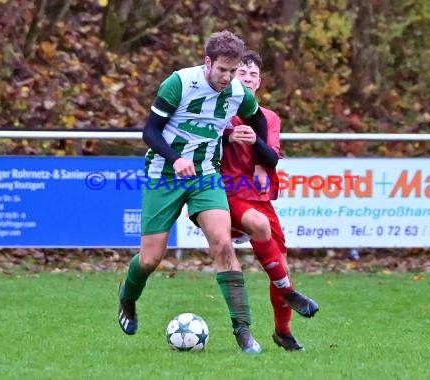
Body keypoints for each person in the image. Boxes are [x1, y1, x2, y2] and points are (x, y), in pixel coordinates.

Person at [118, 31, 270, 354]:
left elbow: (260, 121)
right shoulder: (180, 84)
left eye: (233, 71)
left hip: (205, 176)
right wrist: (176, 159)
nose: (227, 78)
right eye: (222, 71)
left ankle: (243, 331)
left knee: (223, 244)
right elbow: (149, 131)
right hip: (165, 175)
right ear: (207, 62)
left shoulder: (238, 91)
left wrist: (258, 152)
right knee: (150, 258)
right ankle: (127, 298)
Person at [220, 50, 319, 351]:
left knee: (282, 265)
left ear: (259, 83)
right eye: (241, 74)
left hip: (260, 197)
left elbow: (272, 156)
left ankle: (283, 332)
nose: (247, 79)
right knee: (257, 225)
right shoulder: (217, 110)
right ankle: (277, 300)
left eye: (252, 76)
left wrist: (256, 142)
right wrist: (227, 136)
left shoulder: (269, 118)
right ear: (231, 77)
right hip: (226, 193)